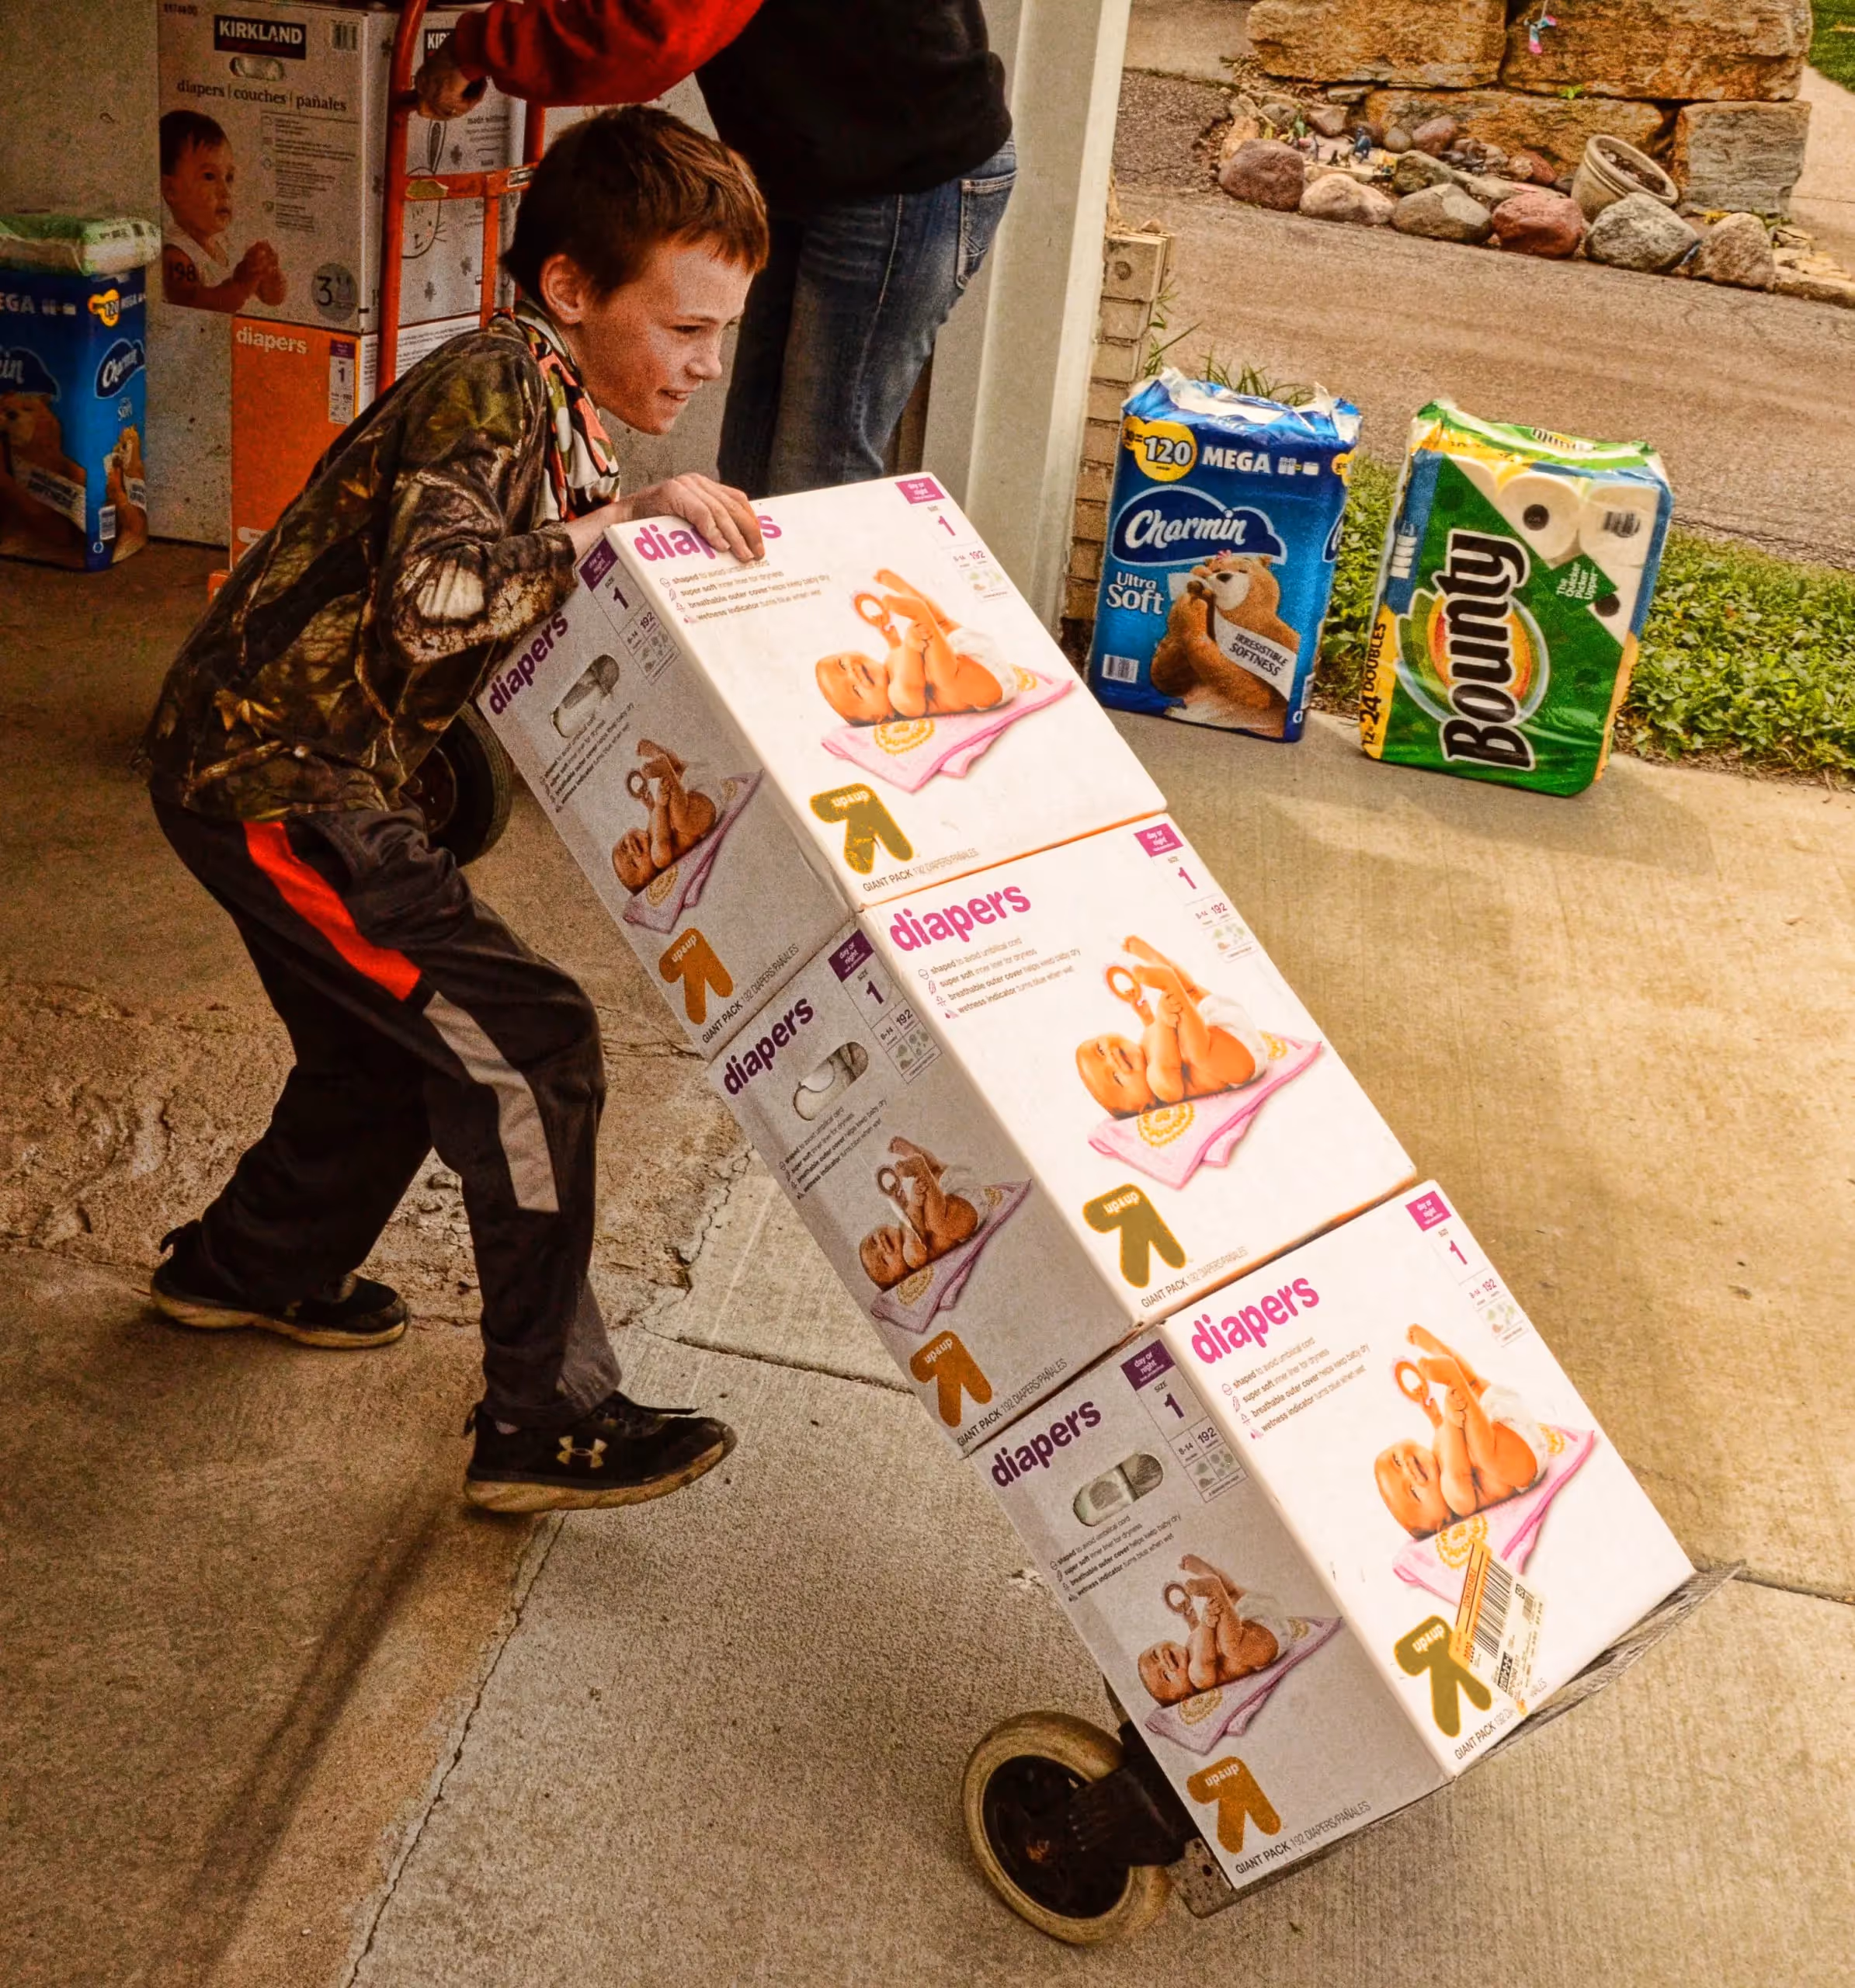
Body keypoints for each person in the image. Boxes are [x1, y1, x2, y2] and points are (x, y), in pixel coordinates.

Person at [140, 108, 769, 1514]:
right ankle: (544, 1418)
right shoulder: (494, 383)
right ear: (568, 290)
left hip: (311, 767)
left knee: (391, 1043)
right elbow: (436, 600)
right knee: (528, 1044)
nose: (705, 361)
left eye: (720, 332)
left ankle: (249, 1268)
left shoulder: (557, 408)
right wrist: (617, 525)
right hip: (273, 776)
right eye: (682, 327)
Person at [413, 0, 1015, 496]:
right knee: (753, 466)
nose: (708, 362)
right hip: (818, 158)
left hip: (905, 168)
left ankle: (808, 642)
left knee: (817, 477)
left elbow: (653, 32)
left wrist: (479, 47)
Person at [1375, 1326, 1550, 1538]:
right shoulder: (1456, 1500)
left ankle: (1440, 1351)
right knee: (1484, 1454)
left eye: (1397, 1461)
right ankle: (1453, 1376)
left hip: (1499, 1421)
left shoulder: (1435, 1452)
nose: (1409, 1471)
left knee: (1474, 1385)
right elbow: (1458, 1470)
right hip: (1520, 1463)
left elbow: (1446, 1437)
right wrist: (1450, 1420)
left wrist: (1435, 1417)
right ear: (1444, 1523)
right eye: (1413, 1492)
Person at [1077, 938, 1270, 1119]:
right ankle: (1169, 979)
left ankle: (1158, 963)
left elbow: (1157, 1036)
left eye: (1100, 1050)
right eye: (1116, 1078)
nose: (1113, 1059)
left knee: (1190, 991)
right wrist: (1162, 1021)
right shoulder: (1160, 1086)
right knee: (1197, 1052)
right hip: (1237, 1063)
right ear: (1148, 1107)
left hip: (1216, 1026)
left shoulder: (1144, 1046)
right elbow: (1167, 1056)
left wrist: (1146, 1015)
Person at [158, 109, 285, 313]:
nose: (225, 192)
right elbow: (192, 306)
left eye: (229, 178)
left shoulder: (229, 243)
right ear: (171, 190)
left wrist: (269, 275)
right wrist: (241, 286)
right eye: (209, 177)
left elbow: (272, 299)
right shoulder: (176, 254)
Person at [1138, 1555, 1293, 1706]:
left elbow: (1201, 1637)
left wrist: (1192, 1620)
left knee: (1230, 1599)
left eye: (1155, 1655)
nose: (1164, 1662)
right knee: (1231, 1646)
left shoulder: (1189, 1645)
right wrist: (1206, 1623)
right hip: (1263, 1643)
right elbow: (1207, 1656)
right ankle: (1215, 1585)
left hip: (1250, 1619)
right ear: (1186, 1698)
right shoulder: (1198, 1677)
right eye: (1165, 1675)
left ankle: (1215, 1581)